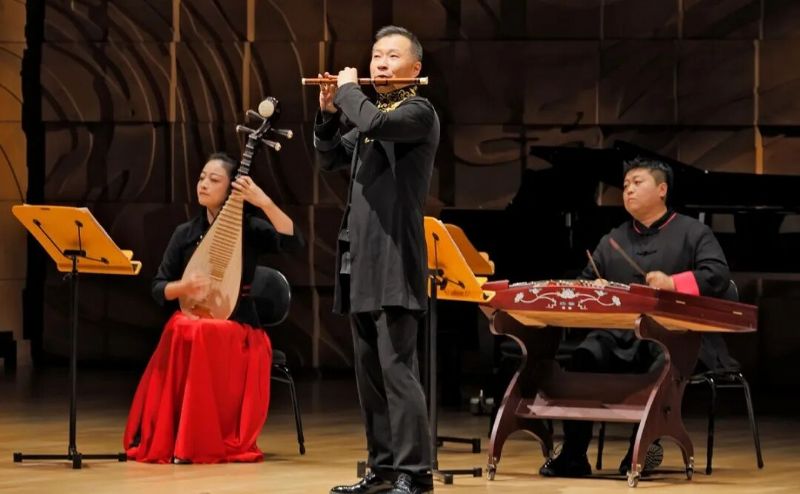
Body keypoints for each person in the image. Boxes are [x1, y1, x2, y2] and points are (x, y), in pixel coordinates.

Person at [539, 157, 731, 478]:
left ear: (662, 189)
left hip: (676, 336)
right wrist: (594, 288)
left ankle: (641, 449)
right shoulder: (613, 239)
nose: (628, 190)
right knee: (584, 357)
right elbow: (584, 283)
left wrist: (672, 283)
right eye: (626, 185)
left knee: (662, 364)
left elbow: (718, 276)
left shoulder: (694, 232)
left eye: (637, 183)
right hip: (618, 334)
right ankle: (573, 453)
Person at [314, 25, 439, 494]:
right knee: (369, 372)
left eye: (391, 56)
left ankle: (415, 473)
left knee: (397, 369)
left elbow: (375, 125)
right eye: (376, 56)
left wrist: (348, 91)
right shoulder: (373, 115)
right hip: (359, 256)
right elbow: (330, 159)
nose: (381, 64)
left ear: (415, 68)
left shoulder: (417, 113)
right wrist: (328, 113)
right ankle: (383, 469)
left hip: (395, 256)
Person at [123, 152, 304, 464]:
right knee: (182, 325)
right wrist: (183, 288)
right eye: (201, 178)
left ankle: (197, 440)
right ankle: (177, 437)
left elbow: (293, 241)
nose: (203, 184)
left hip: (240, 329)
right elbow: (158, 287)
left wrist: (263, 202)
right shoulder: (185, 233)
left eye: (214, 179)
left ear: (231, 188)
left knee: (199, 331)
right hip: (196, 324)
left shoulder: (249, 229)